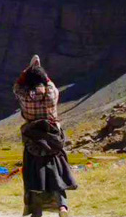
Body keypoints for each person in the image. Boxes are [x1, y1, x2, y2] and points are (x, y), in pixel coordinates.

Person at [14, 55, 77, 217]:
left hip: (33, 139)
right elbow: (48, 82)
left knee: (33, 173)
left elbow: (17, 86)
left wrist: (28, 71)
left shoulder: (24, 96)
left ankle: (37, 211)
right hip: (53, 137)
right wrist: (40, 71)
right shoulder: (51, 93)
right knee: (57, 170)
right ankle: (62, 207)